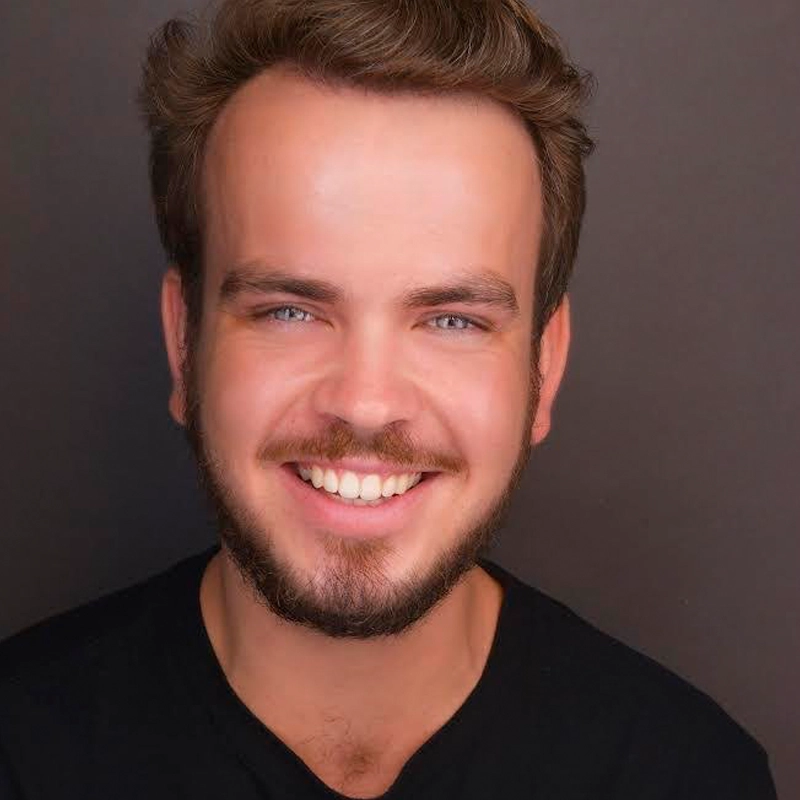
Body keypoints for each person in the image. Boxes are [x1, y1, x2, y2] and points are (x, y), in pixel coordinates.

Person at [0, 1, 777, 798]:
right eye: (289, 311)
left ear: (545, 365)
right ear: (182, 343)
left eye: (451, 319)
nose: (365, 404)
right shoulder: (19, 753)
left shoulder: (693, 776)